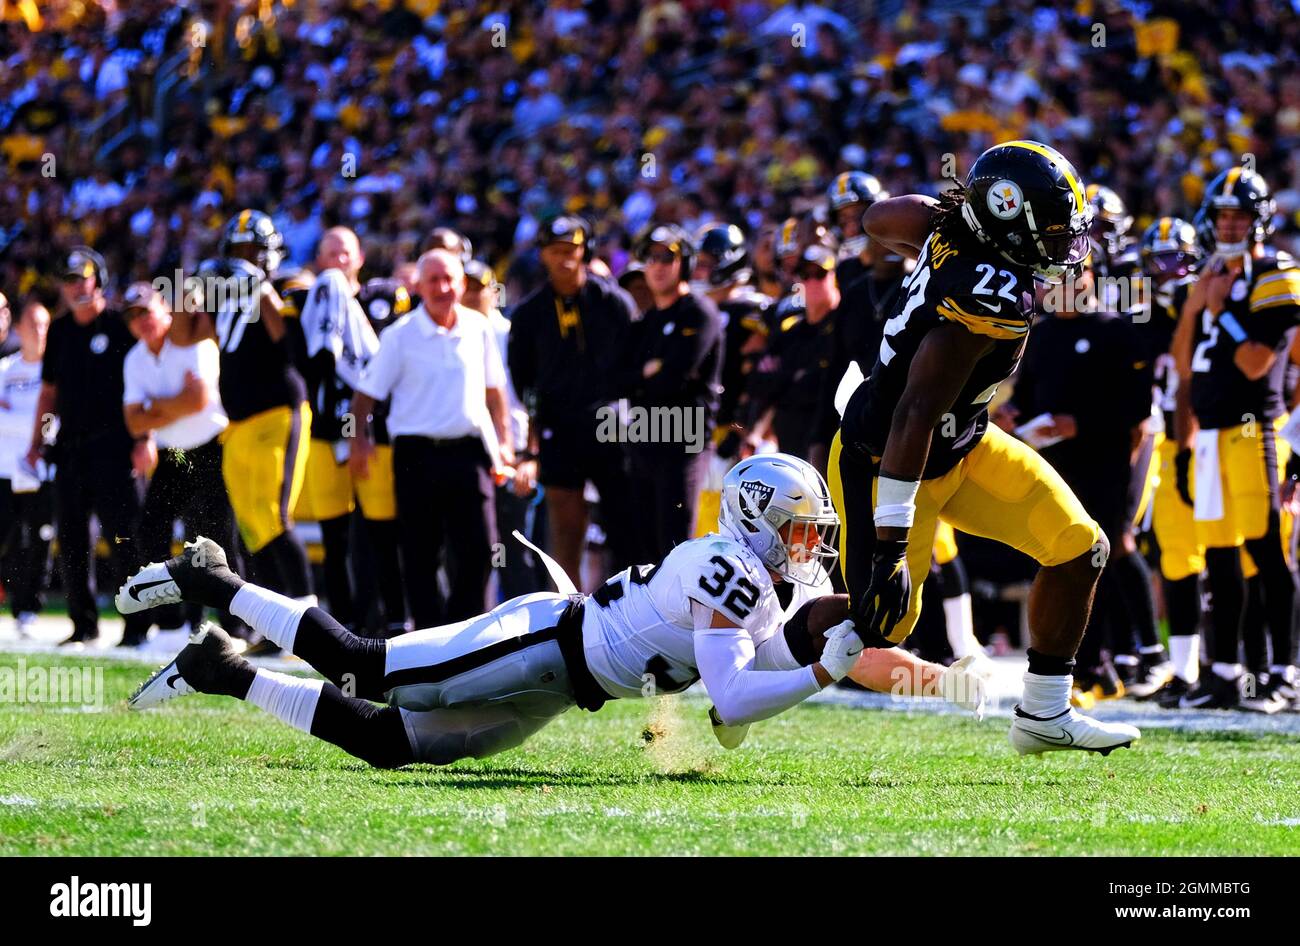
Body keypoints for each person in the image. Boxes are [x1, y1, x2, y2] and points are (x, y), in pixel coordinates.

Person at [118, 454, 988, 768]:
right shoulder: (724, 564)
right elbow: (730, 703)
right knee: (367, 668)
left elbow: (734, 715)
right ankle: (215, 579)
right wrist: (827, 665)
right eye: (801, 532)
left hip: (567, 685)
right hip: (545, 638)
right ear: (759, 519)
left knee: (392, 747)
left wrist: (842, 650)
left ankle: (222, 671)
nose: (810, 548)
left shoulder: (766, 584)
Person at [832, 139, 1142, 755]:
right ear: (1007, 221)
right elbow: (913, 415)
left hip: (965, 446)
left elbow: (878, 218)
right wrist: (891, 545)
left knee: (1080, 547)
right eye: (1053, 232)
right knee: (876, 627)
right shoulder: (985, 301)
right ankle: (753, 654)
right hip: (889, 461)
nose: (1066, 247)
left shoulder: (949, 230)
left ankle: (1044, 714)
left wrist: (948, 224)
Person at [1172, 166, 1300, 712]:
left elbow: (1253, 364)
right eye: (1221, 215)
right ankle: (1223, 672)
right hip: (1210, 436)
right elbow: (1182, 364)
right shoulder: (1207, 277)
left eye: (1238, 216)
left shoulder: (1278, 270)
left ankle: (1283, 672)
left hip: (1256, 433)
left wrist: (1221, 311)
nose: (1227, 226)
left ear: (1258, 220)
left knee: (1267, 553)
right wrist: (1200, 304)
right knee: (1220, 559)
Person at [1004, 260, 1160, 706]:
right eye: (1057, 276)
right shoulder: (1044, 334)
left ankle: (1120, 658)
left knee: (1101, 557)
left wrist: (1082, 425)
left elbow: (1136, 414)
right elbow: (1032, 396)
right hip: (1056, 468)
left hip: (1106, 466)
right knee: (1063, 563)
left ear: (1093, 277)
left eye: (1077, 274)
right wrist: (1016, 415)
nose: (1067, 284)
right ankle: (1094, 667)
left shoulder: (1118, 331)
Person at [351, 248, 513, 625]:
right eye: (433, 280)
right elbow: (365, 396)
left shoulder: (479, 326)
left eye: (449, 280)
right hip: (415, 456)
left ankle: (461, 633)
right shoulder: (400, 335)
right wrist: (359, 441)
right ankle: (429, 639)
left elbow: (495, 392)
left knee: (482, 550)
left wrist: (504, 442)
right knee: (420, 555)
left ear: (460, 283)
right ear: (420, 286)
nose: (442, 287)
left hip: (470, 452)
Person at [200, 209, 316, 654]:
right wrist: (191, 289)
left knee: (274, 516)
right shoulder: (225, 297)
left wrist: (256, 282)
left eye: (252, 252)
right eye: (237, 253)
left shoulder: (287, 283)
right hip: (238, 423)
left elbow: (286, 341)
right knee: (250, 526)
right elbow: (195, 334)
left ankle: (307, 625)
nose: (243, 260)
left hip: (278, 414)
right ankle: (272, 625)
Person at [507, 215, 640, 586]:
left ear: (585, 252)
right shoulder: (529, 314)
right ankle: (568, 619)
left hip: (612, 427)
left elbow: (635, 361)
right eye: (555, 251)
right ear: (542, 256)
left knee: (624, 528)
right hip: (558, 431)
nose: (564, 260)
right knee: (565, 532)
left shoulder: (615, 302)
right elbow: (523, 379)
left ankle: (632, 613)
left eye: (571, 251)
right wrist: (536, 429)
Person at [26, 247, 149, 646]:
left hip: (115, 448)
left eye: (83, 277)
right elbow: (48, 394)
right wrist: (38, 440)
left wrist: (144, 438)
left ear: (99, 278)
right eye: (68, 280)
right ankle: (83, 624)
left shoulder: (119, 324)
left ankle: (137, 626)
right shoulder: (60, 331)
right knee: (73, 539)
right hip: (70, 449)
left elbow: (144, 382)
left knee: (124, 538)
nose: (76, 286)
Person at [121, 281, 240, 652]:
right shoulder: (134, 358)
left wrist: (154, 407)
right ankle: (172, 623)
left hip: (211, 446)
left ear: (164, 309)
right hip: (174, 452)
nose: (141, 321)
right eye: (133, 315)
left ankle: (238, 626)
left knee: (217, 536)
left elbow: (200, 401)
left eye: (146, 311)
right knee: (150, 529)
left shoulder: (190, 340)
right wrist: (176, 402)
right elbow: (134, 423)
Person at [623, 224, 723, 561]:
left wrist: (647, 375)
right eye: (651, 257)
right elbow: (620, 379)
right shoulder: (646, 320)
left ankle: (680, 616)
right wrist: (647, 372)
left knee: (675, 547)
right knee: (642, 550)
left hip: (683, 441)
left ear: (686, 262)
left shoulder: (700, 312)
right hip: (643, 439)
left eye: (668, 256)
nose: (658, 265)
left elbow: (674, 379)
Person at [0, 298, 53, 637]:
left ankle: (28, 610)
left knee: (36, 542)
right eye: (33, 324)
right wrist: (31, 421)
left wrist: (11, 417)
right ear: (19, 328)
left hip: (42, 472)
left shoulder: (56, 372)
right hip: (3, 471)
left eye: (45, 325)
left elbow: (54, 422)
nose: (39, 331)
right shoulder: (5, 369)